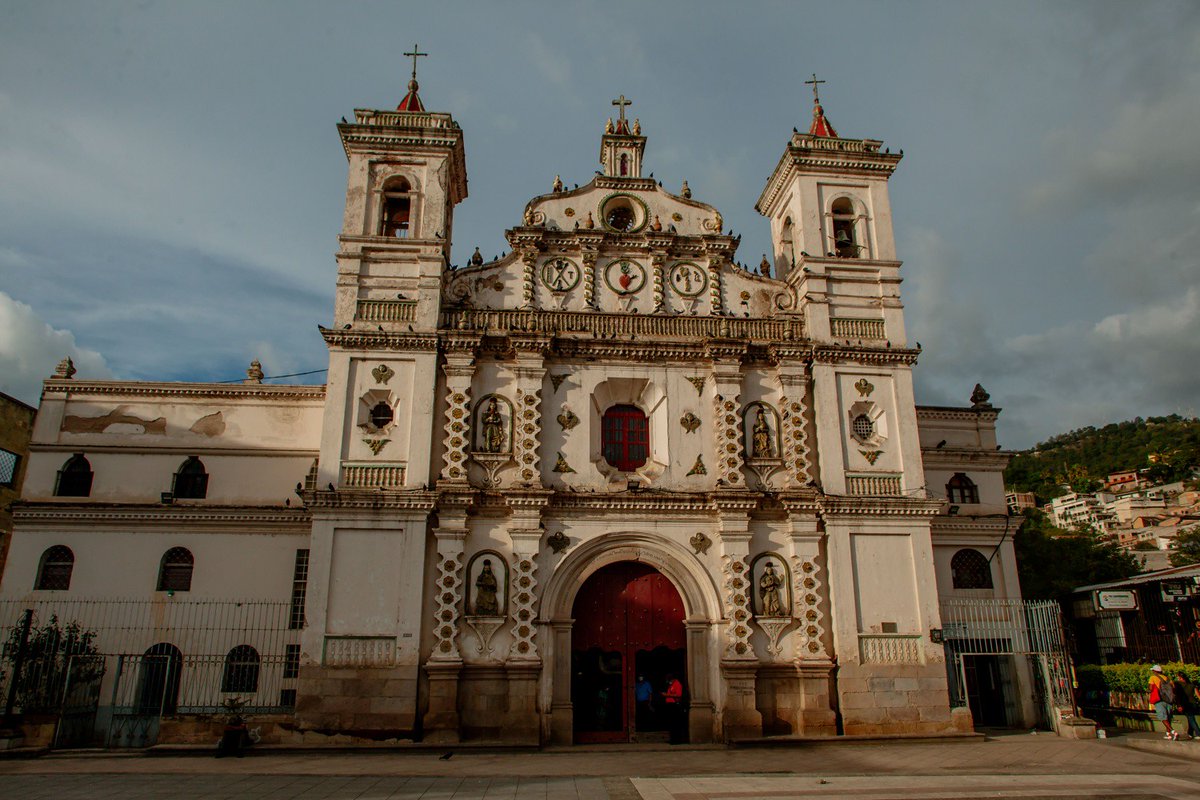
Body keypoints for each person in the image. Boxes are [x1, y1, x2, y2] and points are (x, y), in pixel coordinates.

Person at [1149, 664, 1178, 740]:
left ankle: (1173, 731)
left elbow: (1151, 688)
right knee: (1168, 717)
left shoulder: (1153, 677)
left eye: (1153, 670)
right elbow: (1173, 688)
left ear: (1155, 671)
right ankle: (1168, 734)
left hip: (1159, 700)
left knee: (1163, 718)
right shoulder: (1167, 678)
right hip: (1169, 700)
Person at [1173, 672, 1200, 740]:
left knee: (1191, 718)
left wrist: (1178, 705)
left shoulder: (1179, 685)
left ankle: (1198, 733)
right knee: (1190, 718)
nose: (1178, 679)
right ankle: (1190, 733)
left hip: (1185, 704)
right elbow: (1198, 695)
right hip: (1193, 703)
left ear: (1181, 678)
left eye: (1178, 677)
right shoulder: (1192, 685)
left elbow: (1177, 696)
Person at [663, 673, 685, 744]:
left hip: (675, 706)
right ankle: (673, 739)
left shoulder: (677, 684)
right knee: (672, 723)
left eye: (668, 680)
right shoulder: (671, 685)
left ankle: (677, 740)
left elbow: (678, 695)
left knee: (676, 723)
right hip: (670, 705)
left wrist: (667, 695)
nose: (667, 682)